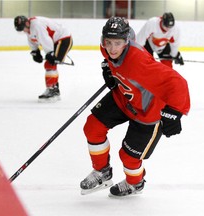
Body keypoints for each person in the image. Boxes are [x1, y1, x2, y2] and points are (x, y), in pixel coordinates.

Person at [80, 17, 190, 197]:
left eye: (118, 43)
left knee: (129, 156)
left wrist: (175, 112)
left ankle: (135, 183)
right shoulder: (106, 49)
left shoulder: (138, 61)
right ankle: (102, 172)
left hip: (147, 111)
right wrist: (108, 68)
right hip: (124, 97)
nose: (112, 48)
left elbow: (177, 83)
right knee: (93, 127)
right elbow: (110, 58)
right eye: (108, 42)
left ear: (127, 41)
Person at [14, 15, 73, 102]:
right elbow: (32, 39)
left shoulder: (36, 25)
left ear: (27, 23)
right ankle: (54, 90)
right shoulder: (29, 27)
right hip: (56, 40)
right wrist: (35, 51)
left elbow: (45, 39)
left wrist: (50, 53)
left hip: (64, 38)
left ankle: (53, 90)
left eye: (23, 28)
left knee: (50, 63)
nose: (24, 31)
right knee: (50, 63)